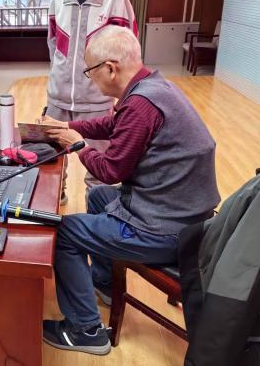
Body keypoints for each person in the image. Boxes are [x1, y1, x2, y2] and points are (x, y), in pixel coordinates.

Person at [40, 26, 220, 355]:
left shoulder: (140, 105)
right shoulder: (154, 87)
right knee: (98, 197)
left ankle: (85, 329)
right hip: (187, 217)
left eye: (90, 72)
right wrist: (68, 125)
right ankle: (105, 282)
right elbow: (113, 126)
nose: (90, 79)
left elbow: (111, 171)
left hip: (165, 231)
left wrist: (77, 145)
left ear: (110, 68)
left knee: (65, 232)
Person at [46, 0, 136, 203]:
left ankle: (95, 215)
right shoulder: (57, 1)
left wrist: (119, 96)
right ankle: (56, 199)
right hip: (58, 98)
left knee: (98, 169)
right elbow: (53, 46)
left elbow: (127, 53)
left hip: (97, 101)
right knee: (52, 159)